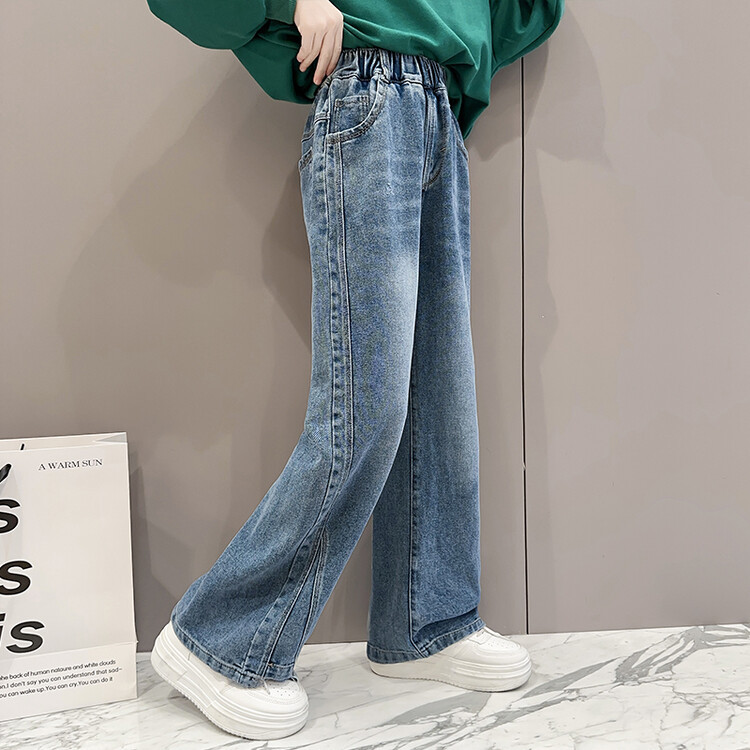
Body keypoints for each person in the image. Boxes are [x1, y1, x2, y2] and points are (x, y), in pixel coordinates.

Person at [146, 0, 564, 740]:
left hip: (435, 109)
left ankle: (426, 620)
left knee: (440, 402)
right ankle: (218, 636)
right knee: (363, 408)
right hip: (369, 96)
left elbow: (514, 18)